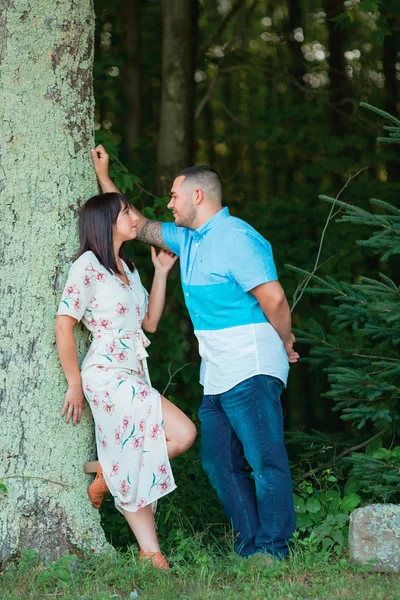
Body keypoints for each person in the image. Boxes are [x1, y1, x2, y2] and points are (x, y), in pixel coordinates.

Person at [91, 145, 300, 561]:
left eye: (173, 195)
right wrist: (104, 178)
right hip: (218, 370)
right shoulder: (188, 240)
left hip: (252, 363)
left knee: (265, 460)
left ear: (198, 196)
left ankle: (274, 550)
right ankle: (249, 547)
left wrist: (287, 341)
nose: (168, 202)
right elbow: (136, 225)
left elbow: (274, 298)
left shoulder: (235, 237)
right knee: (219, 462)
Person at [55, 192, 197, 569]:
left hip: (133, 371)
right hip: (104, 374)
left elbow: (149, 323)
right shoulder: (88, 265)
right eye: (126, 213)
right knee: (182, 433)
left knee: (148, 447)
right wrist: (73, 383)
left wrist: (163, 273)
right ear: (105, 223)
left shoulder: (129, 269)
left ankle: (150, 553)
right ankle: (115, 470)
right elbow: (63, 323)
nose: (135, 218)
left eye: (131, 211)